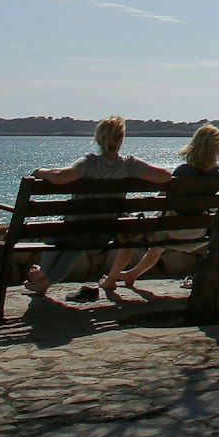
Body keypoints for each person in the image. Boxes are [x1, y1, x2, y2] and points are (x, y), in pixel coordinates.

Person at [22, 115, 173, 300]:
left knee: (57, 237)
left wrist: (40, 171)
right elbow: (165, 176)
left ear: (99, 139)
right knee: (75, 244)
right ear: (121, 139)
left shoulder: (90, 163)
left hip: (73, 229)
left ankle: (41, 275)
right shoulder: (129, 165)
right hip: (103, 233)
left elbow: (60, 177)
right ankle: (42, 280)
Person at [103, 123, 219, 294]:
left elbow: (162, 199)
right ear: (218, 149)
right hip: (199, 233)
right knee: (158, 245)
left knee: (155, 241)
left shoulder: (182, 172)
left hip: (172, 230)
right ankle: (132, 275)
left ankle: (119, 277)